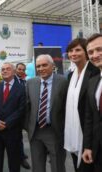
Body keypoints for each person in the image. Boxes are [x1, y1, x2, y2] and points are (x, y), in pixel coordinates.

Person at [25, 54, 68, 172]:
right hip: (35, 131)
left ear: (52, 66)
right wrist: (28, 127)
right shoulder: (30, 83)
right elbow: (27, 108)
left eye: (44, 65)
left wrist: (63, 128)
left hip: (54, 131)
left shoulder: (63, 81)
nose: (41, 68)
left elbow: (67, 107)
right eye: (38, 66)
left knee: (57, 166)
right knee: (37, 166)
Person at [64, 38, 99, 172]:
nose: (73, 53)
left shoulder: (94, 72)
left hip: (88, 133)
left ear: (86, 52)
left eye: (78, 50)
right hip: (73, 132)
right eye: (70, 51)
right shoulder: (70, 75)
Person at [0, 62, 25, 172]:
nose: (4, 71)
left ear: (14, 71)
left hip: (13, 132)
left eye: (8, 69)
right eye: (2, 69)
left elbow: (21, 109)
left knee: (14, 163)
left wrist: (7, 123)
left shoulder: (22, 88)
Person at [82, 33, 102, 172]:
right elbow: (90, 118)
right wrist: (88, 146)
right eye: (90, 52)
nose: (95, 55)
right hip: (98, 149)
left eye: (99, 49)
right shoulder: (92, 82)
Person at [14, 63, 31, 170]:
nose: (21, 71)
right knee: (16, 137)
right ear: (15, 69)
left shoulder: (25, 82)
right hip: (13, 115)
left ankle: (20, 154)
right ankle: (20, 158)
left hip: (23, 115)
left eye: (23, 69)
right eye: (19, 69)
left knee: (19, 137)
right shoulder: (11, 81)